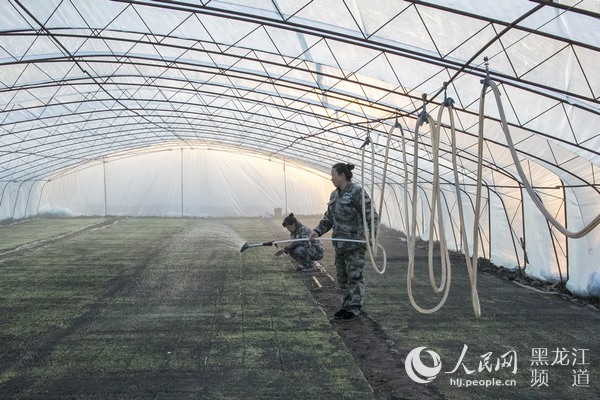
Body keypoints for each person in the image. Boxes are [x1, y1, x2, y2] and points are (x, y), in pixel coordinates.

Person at [309, 162, 378, 322]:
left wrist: (373, 236)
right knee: (342, 277)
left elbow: (371, 215)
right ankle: (346, 306)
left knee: (354, 276)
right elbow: (329, 218)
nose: (331, 178)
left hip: (354, 244)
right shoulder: (334, 195)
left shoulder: (357, 193)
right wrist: (317, 231)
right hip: (340, 245)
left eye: (333, 174)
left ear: (342, 175)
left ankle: (355, 308)